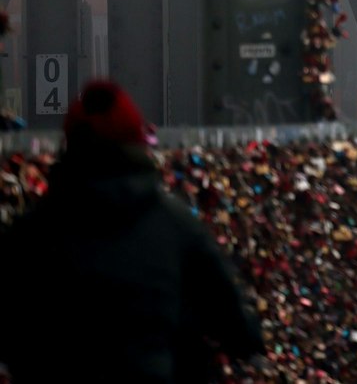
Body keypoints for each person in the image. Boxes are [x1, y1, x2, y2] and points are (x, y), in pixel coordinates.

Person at [0, 80, 263, 383]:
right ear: (136, 142)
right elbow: (237, 328)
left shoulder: (32, 233)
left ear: (69, 146)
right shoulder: (176, 226)